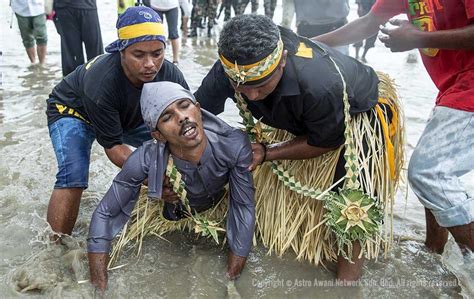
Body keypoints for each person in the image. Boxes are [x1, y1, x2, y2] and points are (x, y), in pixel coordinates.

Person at [194, 14, 403, 281]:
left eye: (260, 86)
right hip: (305, 113)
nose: (252, 96)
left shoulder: (320, 83)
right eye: (241, 87)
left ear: (281, 62)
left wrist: (268, 152)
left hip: (357, 112)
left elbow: (324, 141)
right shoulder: (232, 67)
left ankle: (347, 282)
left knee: (352, 206)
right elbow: (197, 114)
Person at [315, 0, 474, 254]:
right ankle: (434, 251)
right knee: (437, 174)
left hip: (468, 86)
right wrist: (310, 44)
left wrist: (418, 38)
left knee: (428, 173)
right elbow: (368, 23)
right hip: (454, 86)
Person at [87, 81, 255, 291]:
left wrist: (230, 280)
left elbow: (242, 208)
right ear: (158, 135)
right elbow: (105, 214)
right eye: (167, 117)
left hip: (218, 212)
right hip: (170, 219)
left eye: (185, 106)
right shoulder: (144, 159)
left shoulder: (233, 144)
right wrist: (99, 287)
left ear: (198, 109)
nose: (182, 117)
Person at [45, 7, 188, 238]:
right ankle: (55, 247)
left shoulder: (171, 75)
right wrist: (150, 179)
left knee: (175, 155)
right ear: (121, 52)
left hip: (126, 115)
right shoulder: (102, 82)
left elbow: (187, 125)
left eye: (157, 53)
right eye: (139, 55)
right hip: (73, 110)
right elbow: (113, 147)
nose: (150, 64)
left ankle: (178, 219)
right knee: (73, 175)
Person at [53, 0, 104, 76]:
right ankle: (73, 84)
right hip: (65, 8)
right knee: (71, 56)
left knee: (95, 56)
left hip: (86, 6)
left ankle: (98, 81)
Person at [11, 0, 48, 64]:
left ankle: (42, 64)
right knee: (27, 38)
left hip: (39, 6)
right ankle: (33, 63)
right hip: (20, 7)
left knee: (41, 36)